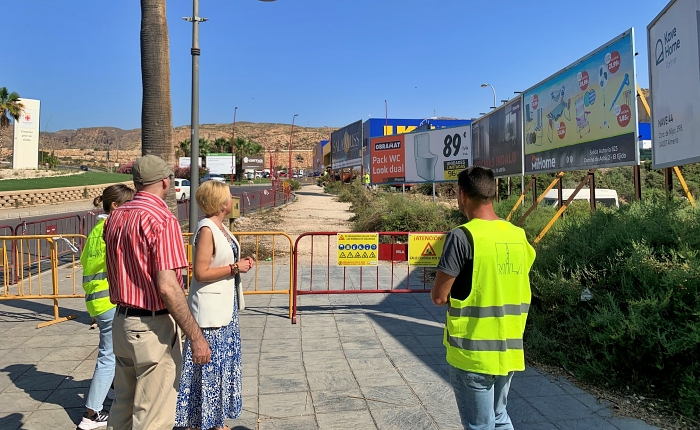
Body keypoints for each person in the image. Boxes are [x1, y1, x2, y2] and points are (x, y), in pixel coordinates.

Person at [104, 155, 211, 430]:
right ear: (166, 181)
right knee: (153, 416)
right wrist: (196, 337)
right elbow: (167, 286)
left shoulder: (116, 216)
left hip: (122, 321)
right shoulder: (162, 219)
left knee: (123, 408)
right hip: (152, 327)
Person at [431, 166, 536, 430]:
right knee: (499, 417)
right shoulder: (517, 235)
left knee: (480, 425)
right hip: (508, 349)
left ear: (462, 195)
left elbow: (439, 297)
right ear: (494, 193)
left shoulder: (461, 236)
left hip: (472, 353)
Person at [175, 180, 255, 430]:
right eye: (229, 196)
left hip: (225, 309)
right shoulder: (207, 229)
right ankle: (204, 421)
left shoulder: (219, 227)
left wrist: (239, 263)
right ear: (222, 203)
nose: (232, 199)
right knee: (209, 366)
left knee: (220, 366)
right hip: (211, 313)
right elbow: (200, 272)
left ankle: (212, 419)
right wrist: (234, 267)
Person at [76, 184, 136, 430]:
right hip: (109, 300)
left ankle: (111, 390)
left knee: (115, 351)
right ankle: (91, 414)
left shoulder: (96, 230)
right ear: (116, 207)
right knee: (108, 355)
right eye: (129, 205)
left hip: (97, 301)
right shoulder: (111, 230)